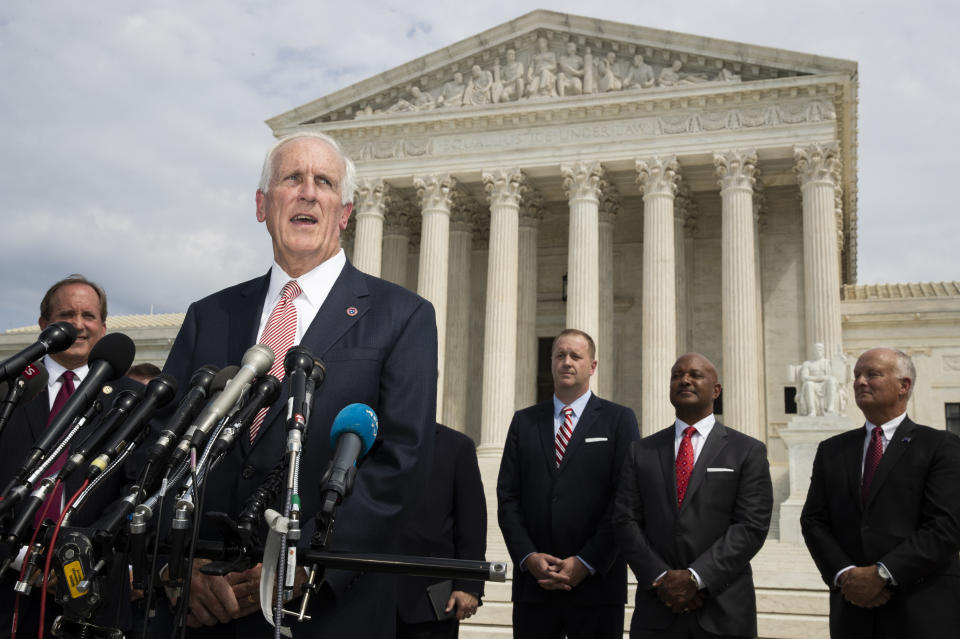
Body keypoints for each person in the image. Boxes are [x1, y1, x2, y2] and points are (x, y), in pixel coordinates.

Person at [160, 132, 438, 639]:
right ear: (263, 205)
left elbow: (402, 461)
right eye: (293, 178)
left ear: (346, 211)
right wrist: (180, 564)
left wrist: (304, 564)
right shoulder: (210, 316)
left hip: (327, 612)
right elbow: (164, 445)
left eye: (324, 182)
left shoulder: (403, 317)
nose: (308, 192)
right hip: (203, 611)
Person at [0, 275, 141, 638]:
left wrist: (76, 559)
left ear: (104, 328)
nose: (79, 324)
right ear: (44, 326)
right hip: (8, 578)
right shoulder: (9, 389)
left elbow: (136, 489)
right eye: (67, 314)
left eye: (89, 316)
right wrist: (19, 556)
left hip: (92, 591)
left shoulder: (132, 401)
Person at [800, 348, 960, 638]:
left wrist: (883, 573)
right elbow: (813, 521)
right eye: (856, 375)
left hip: (922, 608)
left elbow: (945, 526)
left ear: (904, 385)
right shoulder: (832, 450)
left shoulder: (941, 447)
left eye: (872, 374)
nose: (860, 382)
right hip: (852, 610)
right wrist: (845, 574)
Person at [612, 352, 773, 639]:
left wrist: (697, 578)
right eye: (677, 375)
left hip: (724, 611)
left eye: (695, 375)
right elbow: (625, 520)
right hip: (657, 609)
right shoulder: (641, 452)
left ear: (716, 390)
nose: (684, 380)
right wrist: (662, 578)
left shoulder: (747, 450)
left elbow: (750, 526)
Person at [497, 329, 639, 639]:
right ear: (551, 363)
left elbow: (626, 499)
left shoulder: (619, 420)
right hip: (535, 586)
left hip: (597, 586)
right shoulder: (524, 421)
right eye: (559, 355)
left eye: (576, 356)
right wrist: (528, 557)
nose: (567, 362)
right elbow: (508, 497)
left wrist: (586, 562)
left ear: (593, 365)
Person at [396, 424, 486, 639]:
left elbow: (472, 520)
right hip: (366, 593)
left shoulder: (457, 446)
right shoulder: (364, 436)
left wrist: (469, 583)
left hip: (430, 600)